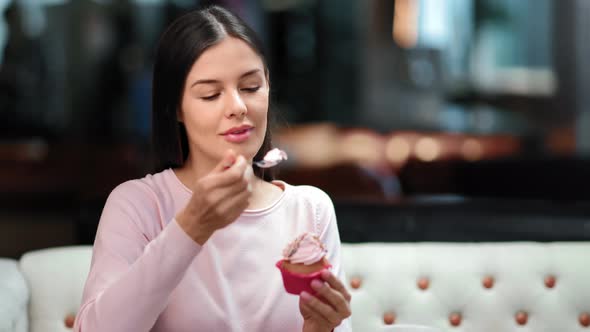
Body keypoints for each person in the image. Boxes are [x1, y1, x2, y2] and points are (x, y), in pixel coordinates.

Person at [74, 5, 352, 332]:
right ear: (176, 107)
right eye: (210, 94)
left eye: (250, 87)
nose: (237, 107)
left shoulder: (310, 209)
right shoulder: (138, 204)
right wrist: (191, 226)